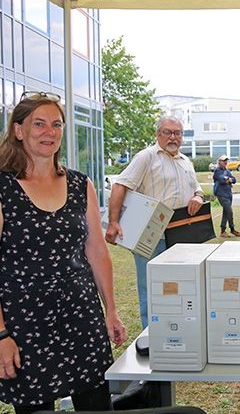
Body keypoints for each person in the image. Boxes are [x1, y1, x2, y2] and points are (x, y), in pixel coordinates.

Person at [0, 92, 127, 413]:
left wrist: (110, 309)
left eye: (56, 124)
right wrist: (1, 334)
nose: (49, 132)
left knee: (97, 405)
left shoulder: (79, 184)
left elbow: (97, 251)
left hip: (82, 318)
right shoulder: (3, 188)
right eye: (39, 124)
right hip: (25, 326)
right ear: (19, 130)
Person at [105, 115, 204, 329]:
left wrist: (198, 196)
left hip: (181, 234)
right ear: (157, 134)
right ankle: (151, 336)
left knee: (179, 285)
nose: (172, 137)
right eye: (167, 132)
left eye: (177, 133)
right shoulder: (146, 157)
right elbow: (120, 186)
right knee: (151, 288)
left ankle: (178, 330)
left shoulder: (185, 161)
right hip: (151, 234)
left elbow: (198, 189)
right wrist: (114, 222)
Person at [213, 155, 240, 238]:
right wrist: (228, 179)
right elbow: (222, 180)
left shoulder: (227, 170)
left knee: (226, 212)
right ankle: (232, 229)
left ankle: (222, 231)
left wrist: (229, 179)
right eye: (223, 160)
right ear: (219, 162)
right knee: (229, 211)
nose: (225, 162)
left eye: (226, 160)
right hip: (221, 194)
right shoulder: (217, 170)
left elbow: (234, 180)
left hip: (228, 193)